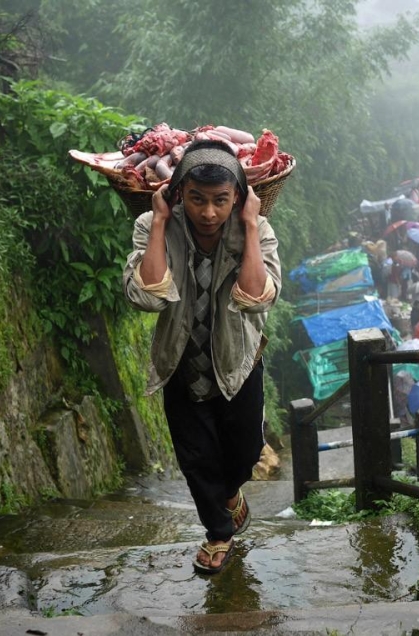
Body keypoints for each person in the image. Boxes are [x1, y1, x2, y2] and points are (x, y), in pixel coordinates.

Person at [123, 140, 282, 575]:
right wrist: (160, 222)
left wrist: (250, 227)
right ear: (179, 194)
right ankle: (218, 533)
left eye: (220, 200)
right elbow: (146, 298)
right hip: (180, 363)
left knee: (246, 451)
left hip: (237, 362)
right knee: (196, 459)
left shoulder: (256, 229)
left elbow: (256, 298)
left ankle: (230, 496)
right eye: (196, 199)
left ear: (238, 198)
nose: (208, 212)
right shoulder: (152, 225)